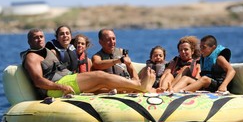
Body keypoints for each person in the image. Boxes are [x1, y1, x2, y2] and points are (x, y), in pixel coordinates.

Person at [22, 28, 155, 98]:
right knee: (99, 75)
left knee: (103, 84)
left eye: (41, 36)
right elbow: (38, 81)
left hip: (67, 80)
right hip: (56, 87)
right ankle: (139, 85)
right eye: (35, 37)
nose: (39, 39)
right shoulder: (32, 57)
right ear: (29, 41)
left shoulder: (48, 52)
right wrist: (60, 88)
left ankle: (138, 88)